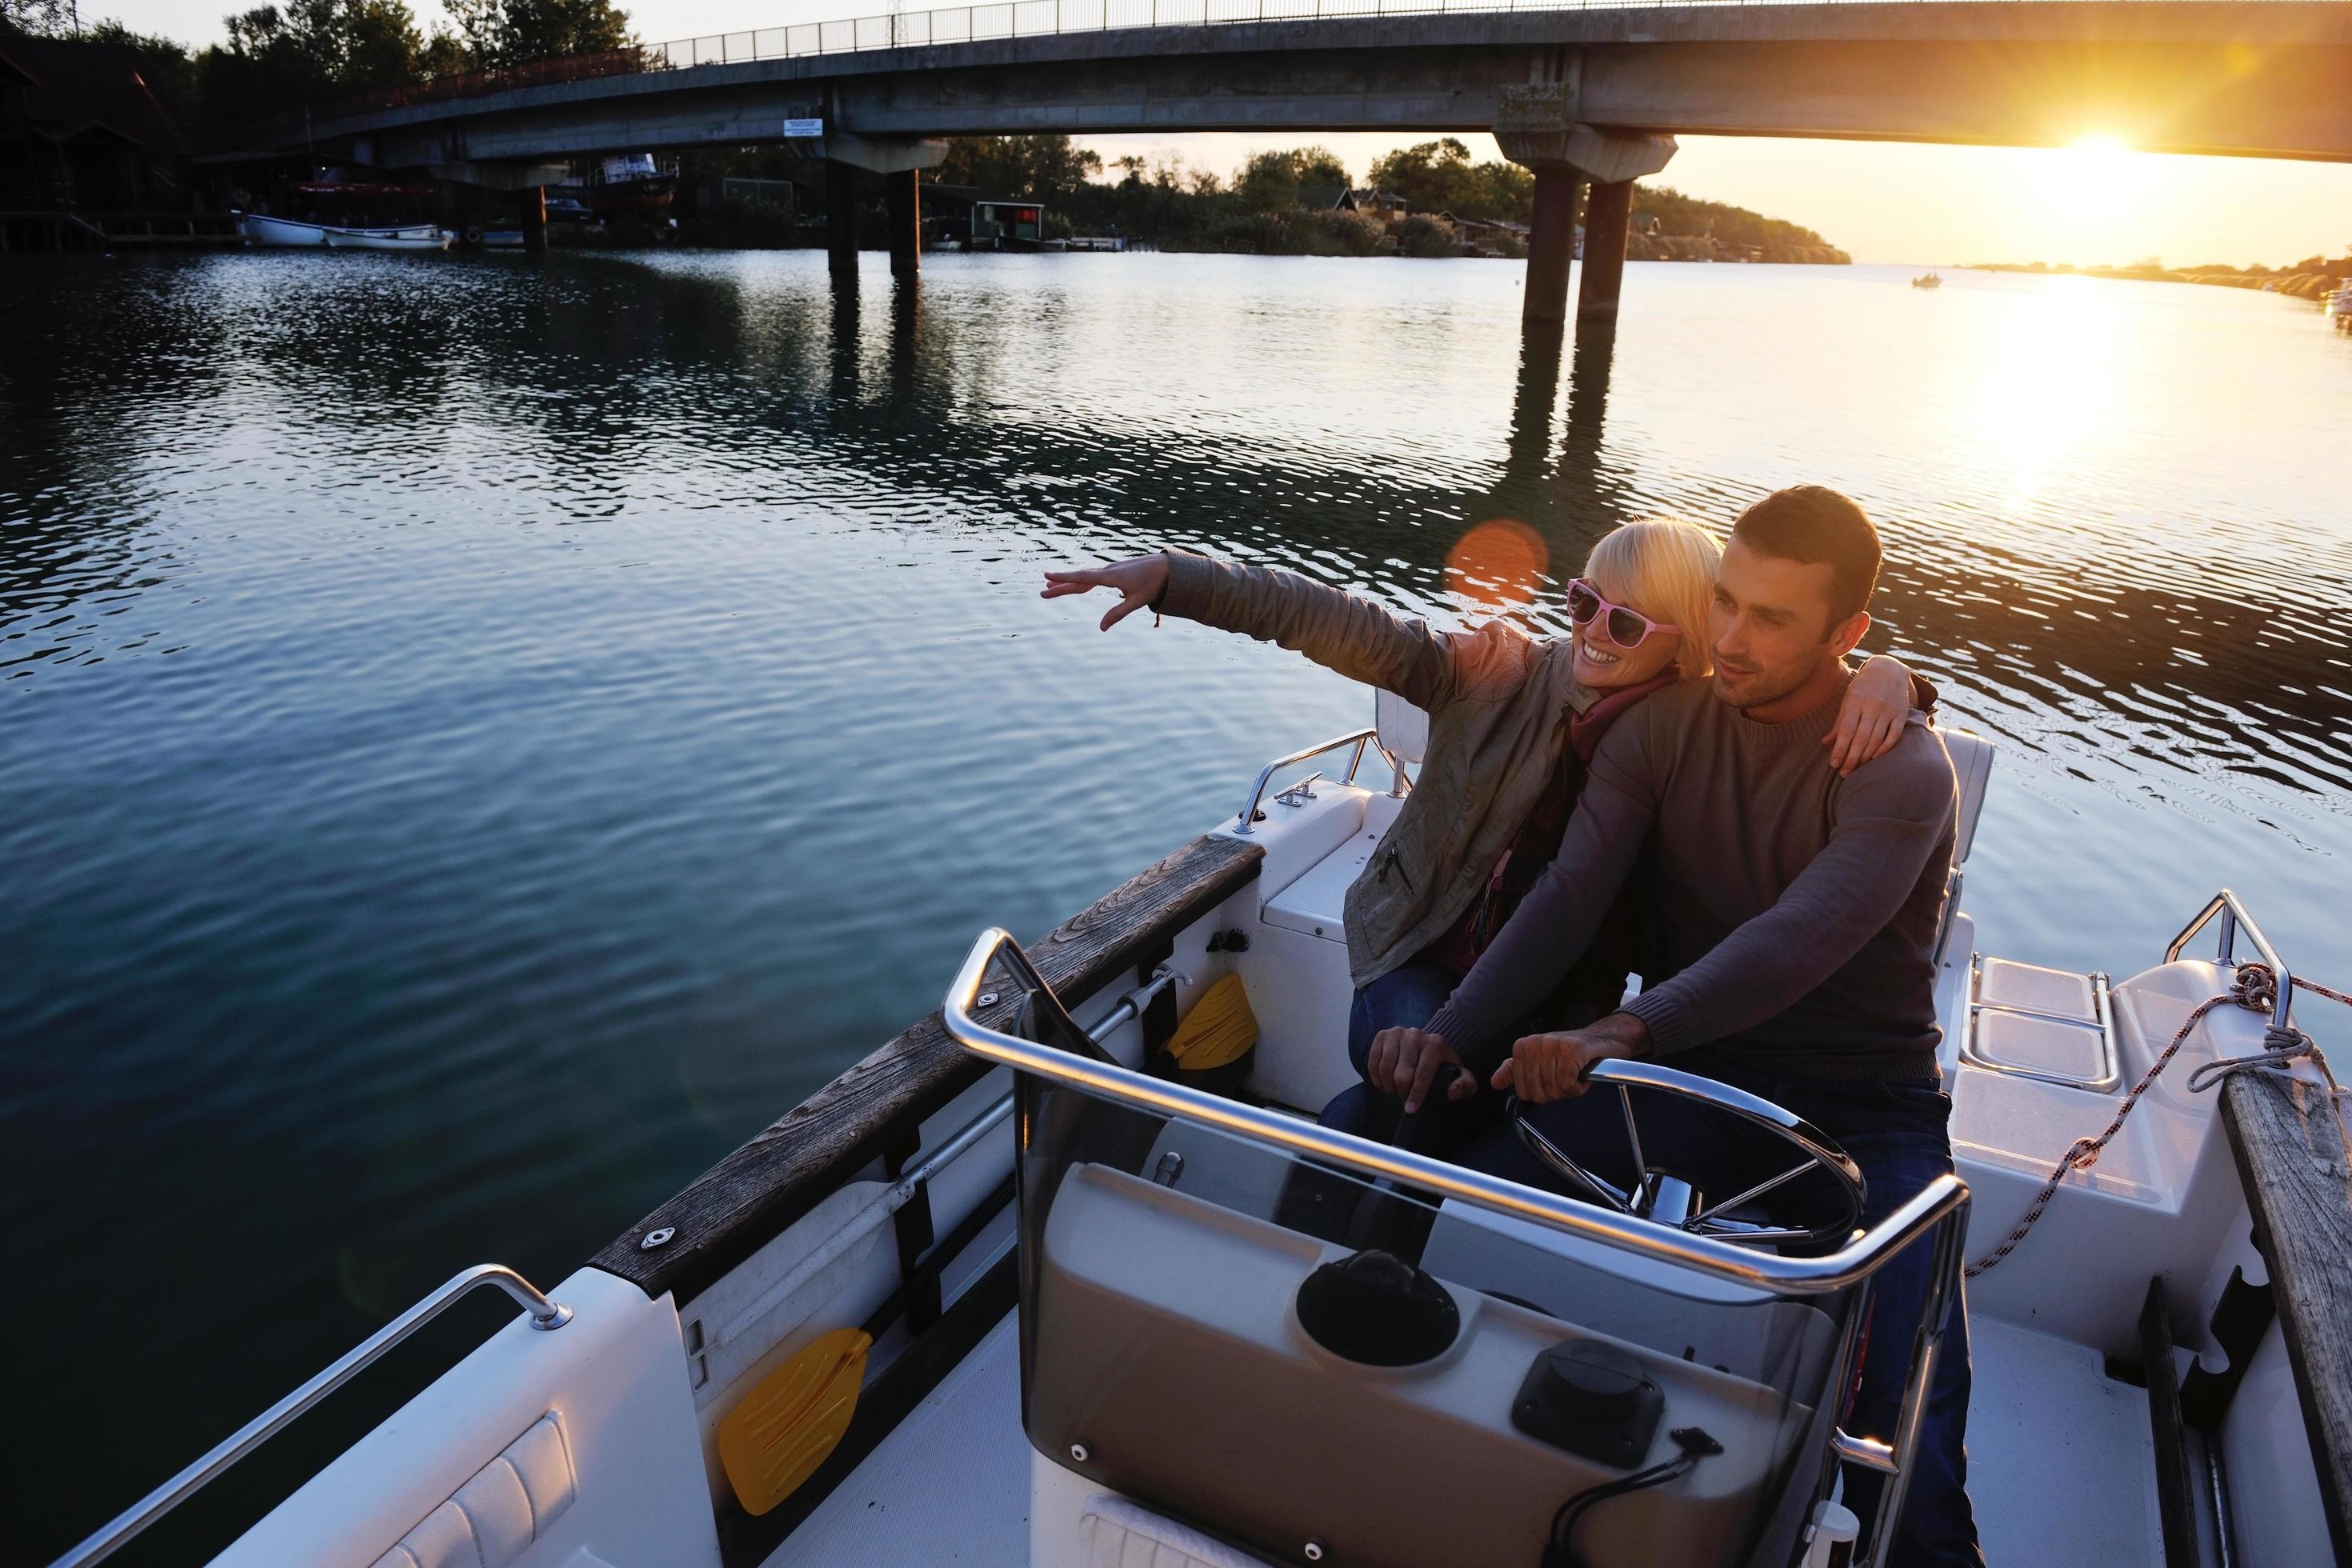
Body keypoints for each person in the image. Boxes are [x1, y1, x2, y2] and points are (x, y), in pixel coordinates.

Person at [1380, 486, 1978, 1566]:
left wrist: (1624, 1031)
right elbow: (1568, 897)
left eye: (1774, 619)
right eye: (1725, 604)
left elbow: (1803, 935)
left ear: (1851, 637)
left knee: (1908, 1403)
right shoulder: (1660, 729)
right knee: (1425, 1158)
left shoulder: (1902, 768)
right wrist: (1455, 1035)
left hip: (1865, 1105)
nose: (1733, 640)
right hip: (1692, 1068)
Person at [1042, 522, 1926, 1155]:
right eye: (1583, 602)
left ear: (1691, 643)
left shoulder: (1683, 729)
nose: (1589, 632)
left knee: (1477, 1112)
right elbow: (1337, 623)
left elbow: (1793, 690)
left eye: (1625, 623)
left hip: (1559, 995)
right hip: (1421, 952)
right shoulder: (1498, 672)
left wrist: (1896, 679)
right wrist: (1180, 579)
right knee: (1425, 1087)